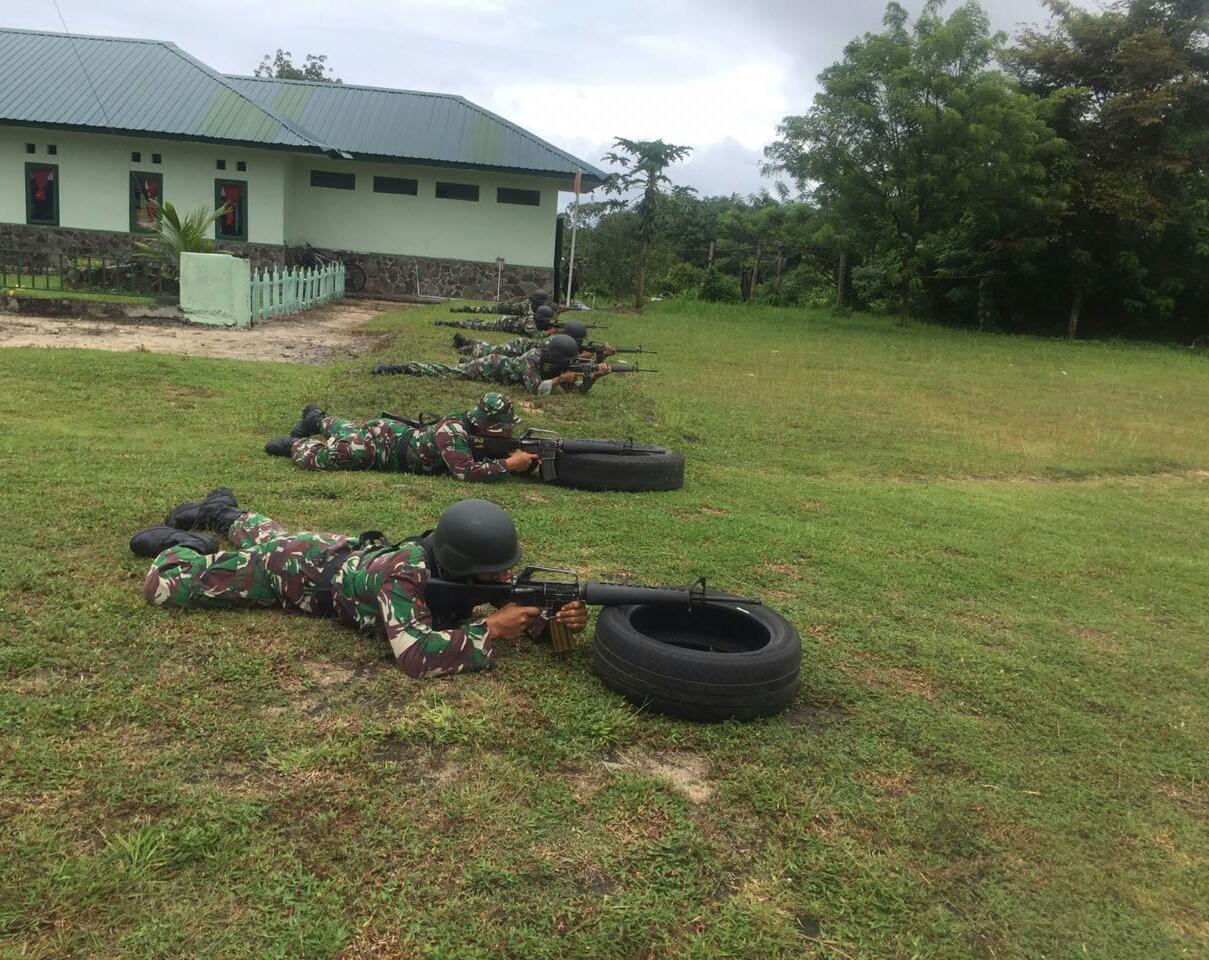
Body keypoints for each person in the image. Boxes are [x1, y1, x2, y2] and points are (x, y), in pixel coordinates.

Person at [130, 494, 589, 679]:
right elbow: (413, 655)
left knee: (274, 533)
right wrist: (489, 629)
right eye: (494, 573)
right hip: (290, 576)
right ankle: (186, 544)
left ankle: (226, 512)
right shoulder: (407, 573)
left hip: (334, 551)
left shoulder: (469, 568)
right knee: (163, 587)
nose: (503, 579)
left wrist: (551, 622)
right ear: (463, 564)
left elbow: (512, 604)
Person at [262, 393, 538, 480]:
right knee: (346, 453)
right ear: (486, 424)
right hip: (383, 448)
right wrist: (509, 465)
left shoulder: (473, 431)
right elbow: (465, 472)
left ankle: (317, 419)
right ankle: (297, 445)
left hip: (391, 433)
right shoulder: (452, 431)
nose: (509, 431)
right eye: (503, 426)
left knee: (350, 433)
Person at [372, 334, 610, 396]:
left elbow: (577, 390)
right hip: (491, 366)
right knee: (446, 372)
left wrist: (595, 376)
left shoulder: (554, 366)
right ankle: (397, 367)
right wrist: (560, 379)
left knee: (464, 365)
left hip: (500, 371)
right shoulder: (533, 358)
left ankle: (467, 358)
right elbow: (536, 390)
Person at [450, 320, 615, 363]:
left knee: (488, 348)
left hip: (524, 352)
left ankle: (466, 342)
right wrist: (585, 356)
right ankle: (463, 344)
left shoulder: (565, 343)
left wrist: (601, 355)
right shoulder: (556, 343)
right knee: (485, 351)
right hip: (518, 348)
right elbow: (564, 359)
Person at [438, 303, 561, 335]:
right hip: (500, 324)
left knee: (477, 322)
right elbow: (535, 335)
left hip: (503, 320)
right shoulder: (530, 324)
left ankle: (472, 320)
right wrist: (549, 332)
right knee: (473, 325)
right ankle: (445, 323)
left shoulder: (533, 319)